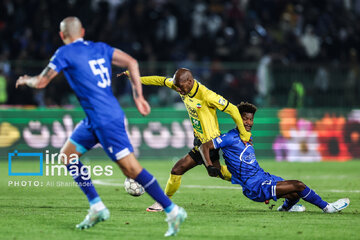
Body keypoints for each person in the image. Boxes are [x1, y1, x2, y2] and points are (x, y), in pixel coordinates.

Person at [15, 16, 186, 237]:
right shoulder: (101, 48)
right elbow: (132, 62)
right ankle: (97, 207)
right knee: (67, 156)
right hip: (94, 118)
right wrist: (138, 96)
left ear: (61, 35)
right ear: (83, 31)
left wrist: (26, 79)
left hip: (105, 119)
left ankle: (173, 211)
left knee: (131, 170)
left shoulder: (64, 53)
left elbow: (40, 82)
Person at [119, 68, 252, 212]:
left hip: (210, 144)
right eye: (177, 87)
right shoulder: (180, 85)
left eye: (181, 87)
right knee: (192, 171)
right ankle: (249, 179)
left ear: (190, 81)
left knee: (183, 170)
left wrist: (244, 134)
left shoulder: (207, 95)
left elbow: (232, 109)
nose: (179, 90)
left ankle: (250, 180)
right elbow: (160, 80)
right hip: (200, 143)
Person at [199, 102, 350, 213]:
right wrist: (209, 166)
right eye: (245, 119)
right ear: (238, 119)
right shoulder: (229, 137)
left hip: (263, 176)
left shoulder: (247, 137)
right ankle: (327, 207)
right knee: (299, 185)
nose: (249, 123)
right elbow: (204, 146)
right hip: (255, 186)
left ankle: (285, 209)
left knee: (295, 193)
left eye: (251, 119)